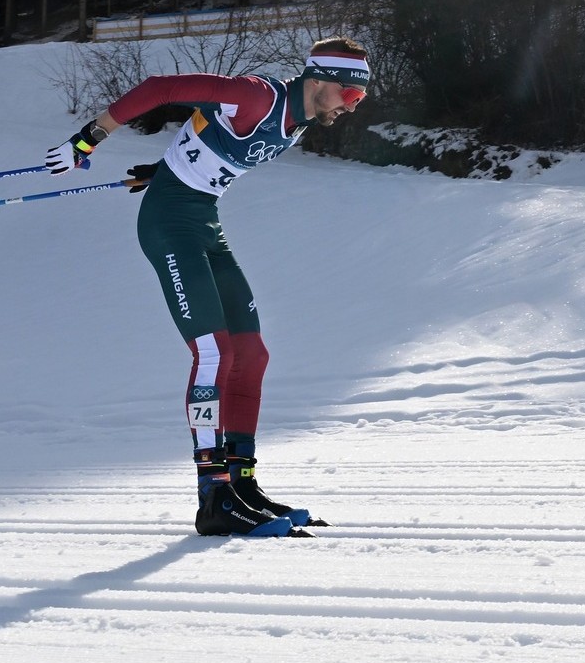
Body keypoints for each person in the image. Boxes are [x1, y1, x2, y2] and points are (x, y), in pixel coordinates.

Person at [45, 36, 371, 537]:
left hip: (203, 223)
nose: (353, 106)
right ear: (323, 79)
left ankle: (241, 483)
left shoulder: (299, 121)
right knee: (213, 352)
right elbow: (161, 88)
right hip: (169, 225)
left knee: (251, 353)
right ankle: (213, 496)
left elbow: (210, 138)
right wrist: (87, 141)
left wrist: (164, 168)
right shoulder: (259, 97)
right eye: (352, 95)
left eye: (359, 99)